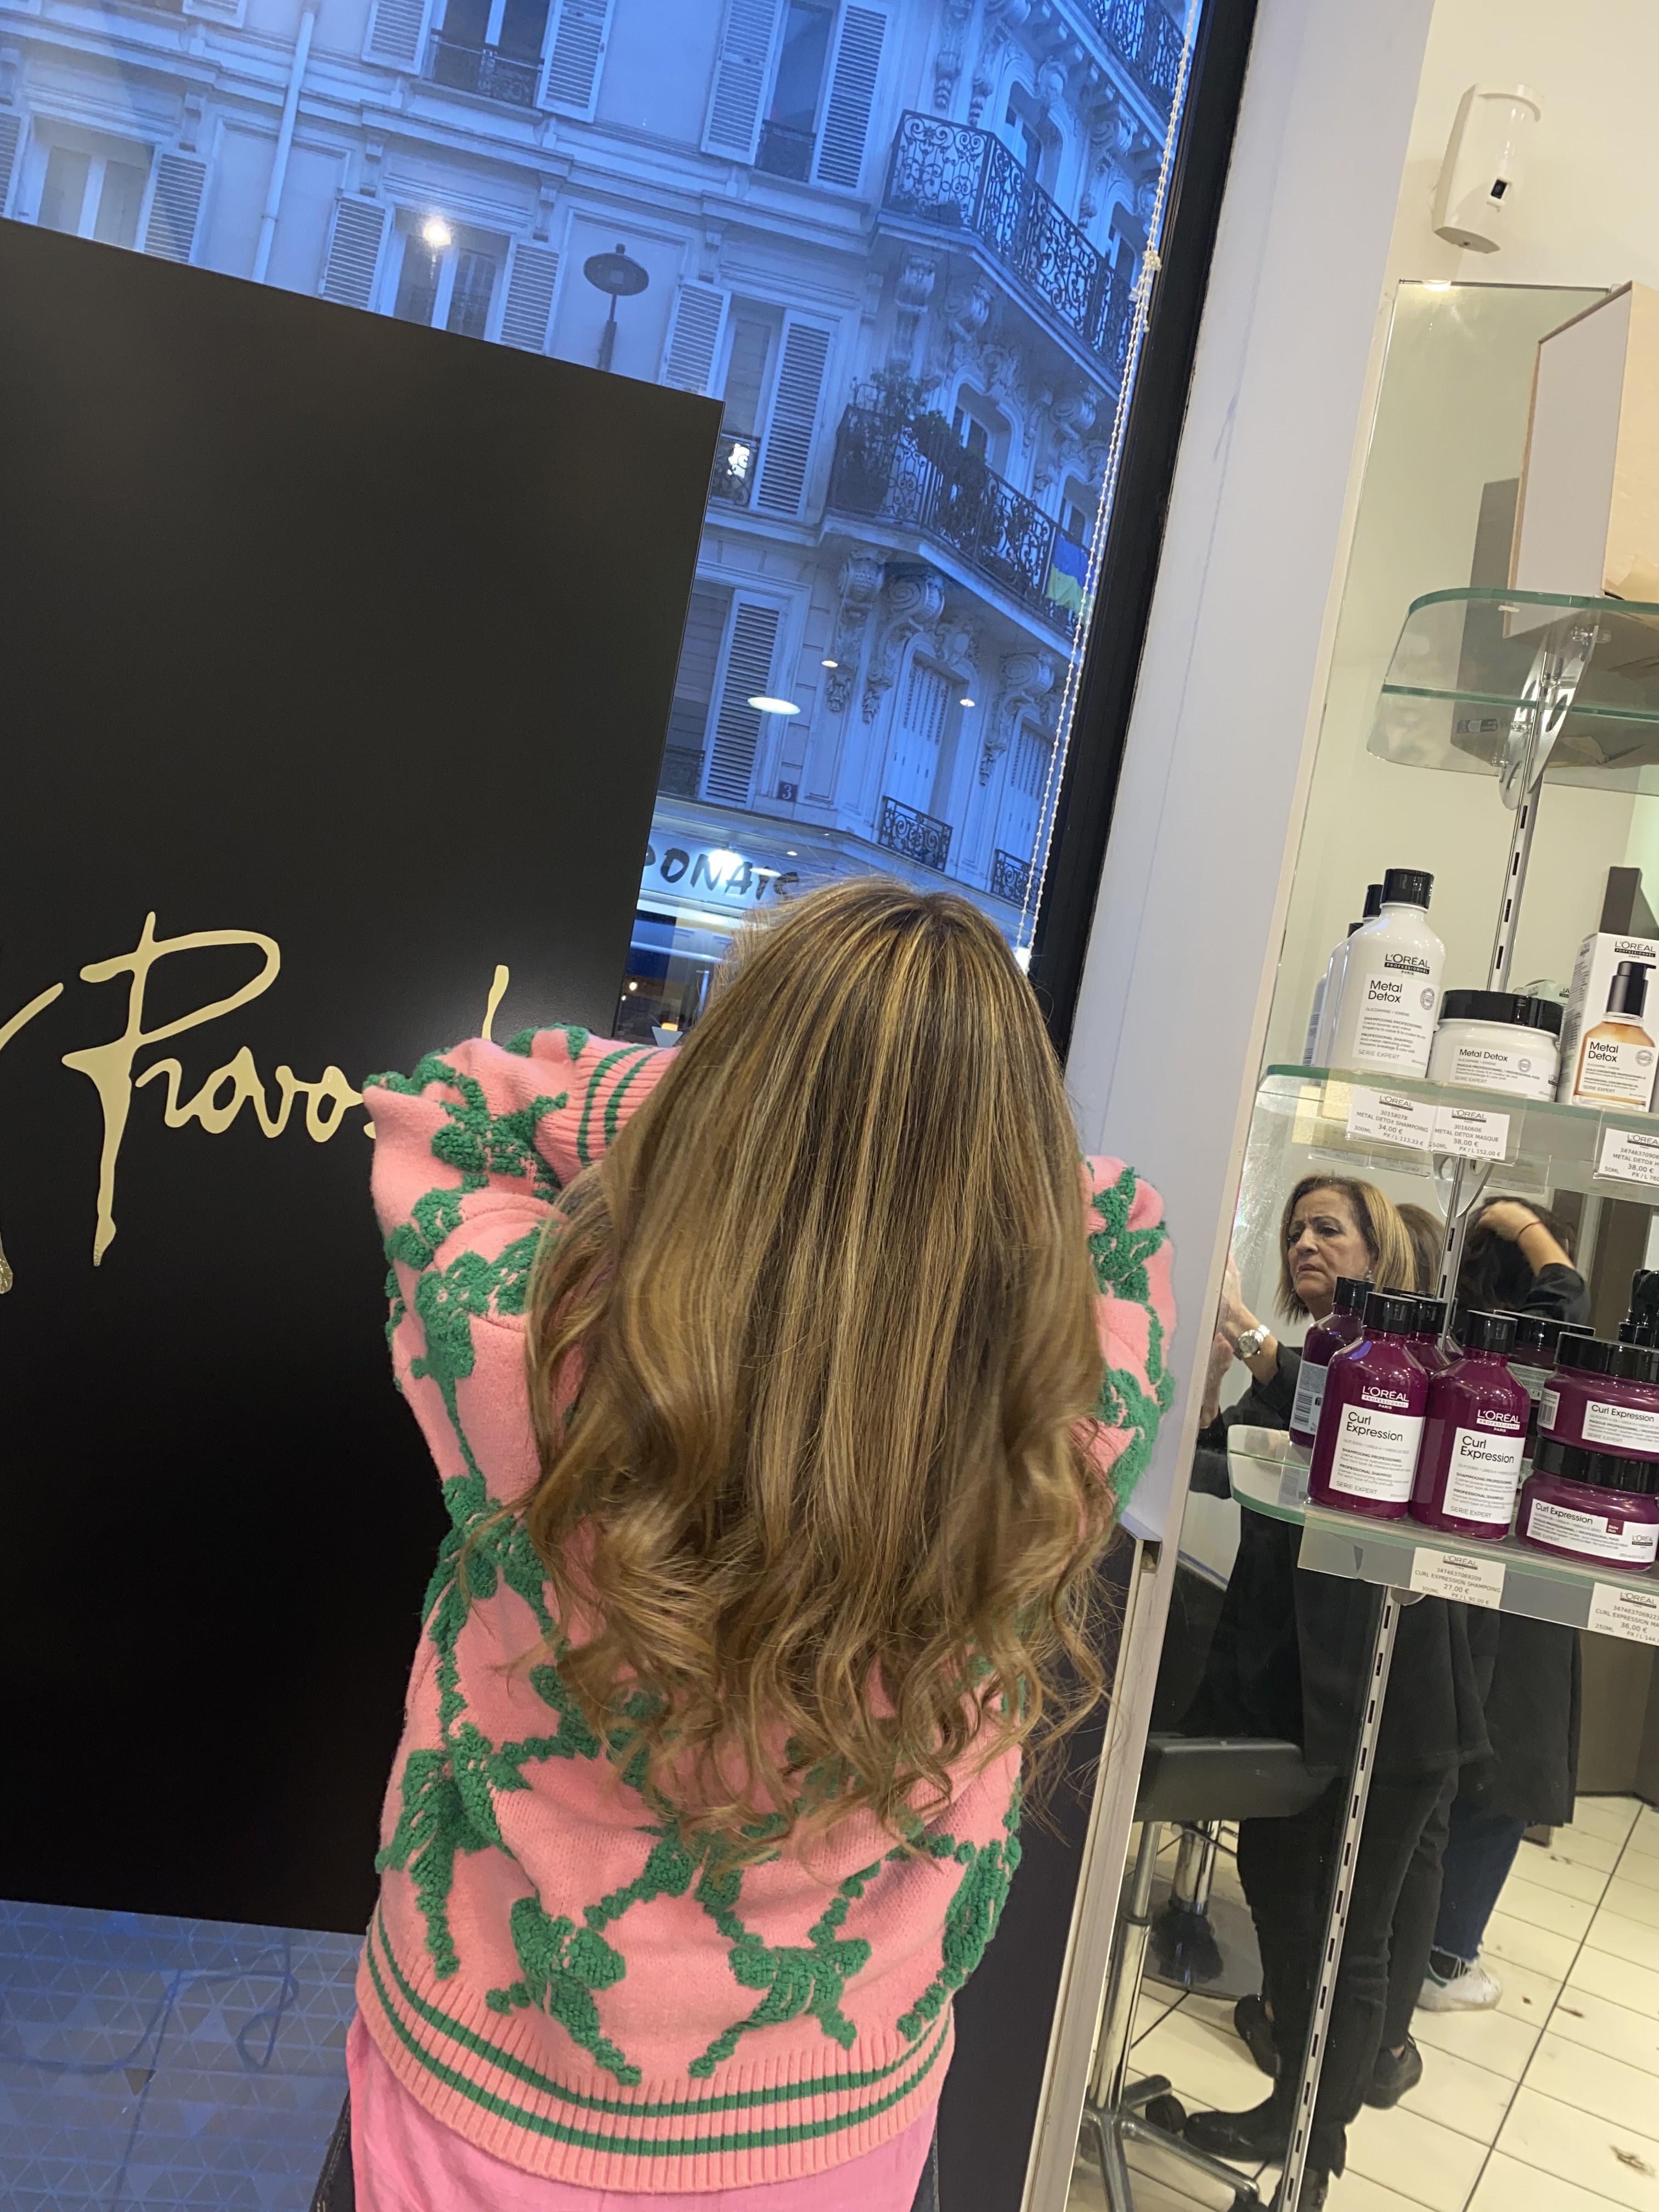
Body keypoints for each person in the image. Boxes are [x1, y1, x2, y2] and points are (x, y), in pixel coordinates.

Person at [332, 879, 1176, 2212]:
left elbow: (452, 1098)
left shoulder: (535, 1351)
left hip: (482, 2101)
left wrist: (747, 1106)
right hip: (829, 2130)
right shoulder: (1052, 1436)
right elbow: (1116, 1216)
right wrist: (943, 1137)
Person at [1182, 1176, 1492, 2207]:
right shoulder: (1301, 1359)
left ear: (1377, 1252)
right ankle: (1288, 2106)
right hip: (1297, 1694)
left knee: (1348, 1932)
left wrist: (1243, 1334)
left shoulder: (1404, 1373)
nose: (1305, 1243)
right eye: (1295, 1230)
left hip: (1393, 1698)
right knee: (1277, 1884)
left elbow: (1332, 1416)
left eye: (1330, 1229)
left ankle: (1313, 2160)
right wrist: (1210, 1376)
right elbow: (1219, 1455)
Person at [1417, 1199, 1588, 2014]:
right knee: (1509, 1764)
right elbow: (1567, 1299)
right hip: (1516, 1590)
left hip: (1461, 1575)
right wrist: (1525, 1225)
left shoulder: (1451, 1345)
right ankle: (1444, 1958)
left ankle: (1429, 1942)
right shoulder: (1522, 1359)